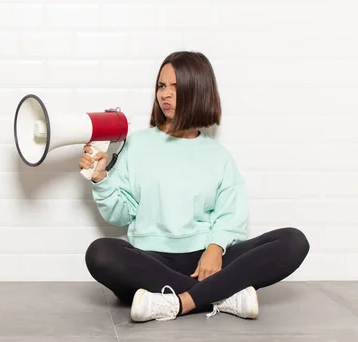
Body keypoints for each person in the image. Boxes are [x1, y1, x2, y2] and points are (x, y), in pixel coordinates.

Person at [79, 51, 310, 322]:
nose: (165, 95)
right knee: (101, 253)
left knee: (294, 241)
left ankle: (174, 301)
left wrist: (214, 249)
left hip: (208, 261)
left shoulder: (217, 155)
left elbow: (232, 217)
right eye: (161, 86)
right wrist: (101, 178)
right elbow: (119, 215)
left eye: (175, 87)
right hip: (152, 261)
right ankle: (222, 296)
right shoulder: (136, 145)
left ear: (197, 91)